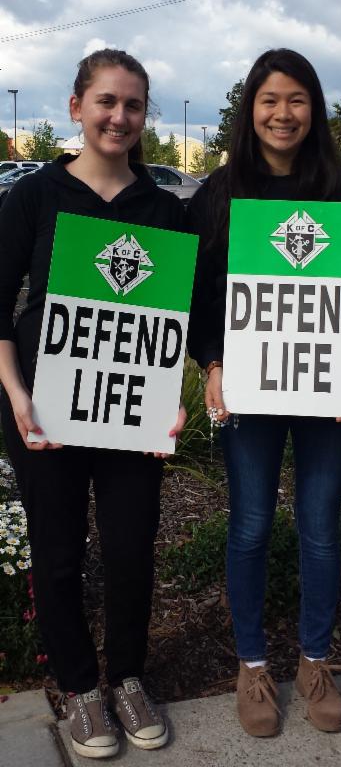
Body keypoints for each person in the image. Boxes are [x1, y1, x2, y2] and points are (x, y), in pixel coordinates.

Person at [186, 48, 341, 737]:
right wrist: (212, 362)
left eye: (296, 99)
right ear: (251, 109)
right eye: (270, 99)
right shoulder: (221, 194)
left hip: (328, 390)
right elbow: (198, 296)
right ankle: (252, 666)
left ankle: (314, 660)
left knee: (320, 527)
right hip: (251, 390)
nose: (283, 113)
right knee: (249, 526)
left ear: (315, 109)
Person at [0, 49, 187, 758]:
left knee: (131, 548)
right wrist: (16, 394)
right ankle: (81, 689)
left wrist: (174, 401)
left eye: (133, 104)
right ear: (77, 107)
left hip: (130, 411)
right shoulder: (34, 196)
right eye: (106, 101)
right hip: (44, 407)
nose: (119, 116)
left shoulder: (163, 209)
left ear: (144, 117)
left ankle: (129, 677)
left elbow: (177, 319)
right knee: (56, 554)